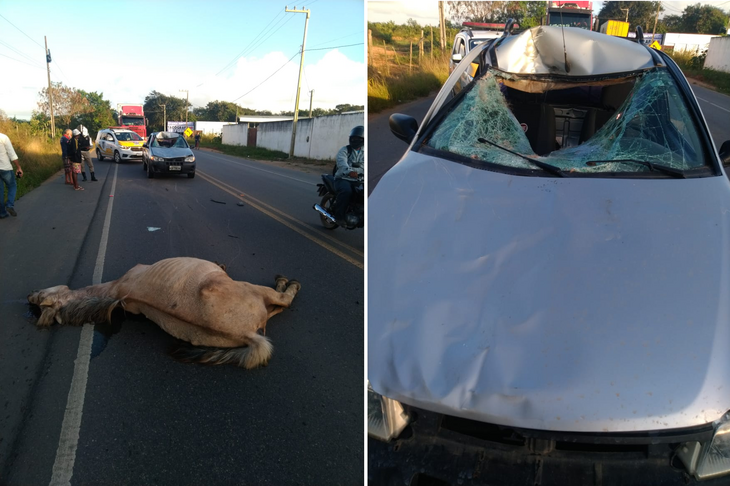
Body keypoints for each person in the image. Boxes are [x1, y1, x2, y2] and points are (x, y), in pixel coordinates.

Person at [333, 125, 364, 227]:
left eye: (357, 139)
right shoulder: (345, 150)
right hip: (342, 178)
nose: (354, 140)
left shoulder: (365, 152)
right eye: (353, 138)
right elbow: (341, 163)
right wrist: (349, 171)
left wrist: (360, 172)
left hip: (359, 179)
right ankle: (339, 217)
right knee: (346, 191)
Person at [0, 132, 23, 218]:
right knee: (12, 186)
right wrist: (18, 167)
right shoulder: (3, 137)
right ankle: (9, 205)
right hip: (5, 168)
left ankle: (2, 213)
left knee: (0, 190)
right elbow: (12, 154)